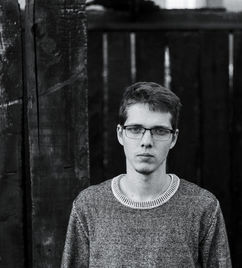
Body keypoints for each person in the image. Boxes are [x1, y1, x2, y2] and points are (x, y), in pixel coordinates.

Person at [61, 82, 231, 267]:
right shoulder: (89, 205)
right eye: (135, 129)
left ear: (173, 138)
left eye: (159, 131)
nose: (146, 141)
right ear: (120, 134)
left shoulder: (202, 207)